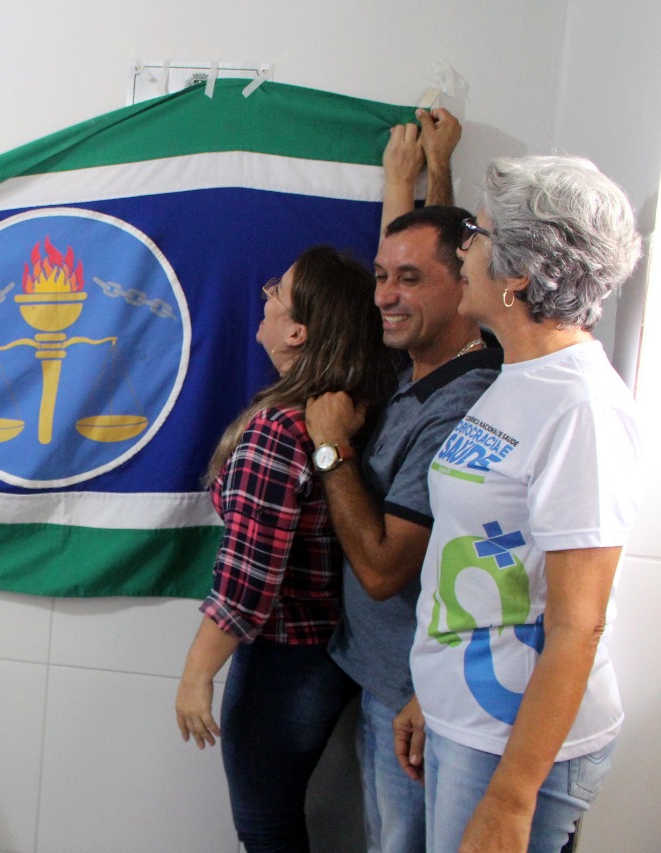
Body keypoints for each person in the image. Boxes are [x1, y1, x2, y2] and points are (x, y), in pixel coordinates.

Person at [404, 155, 642, 852]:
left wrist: (511, 797)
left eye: (475, 234)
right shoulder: (521, 374)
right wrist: (433, 690)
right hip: (468, 714)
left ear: (520, 276)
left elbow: (578, 624)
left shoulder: (581, 407)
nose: (463, 249)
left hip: (511, 742)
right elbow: (482, 553)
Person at [304, 110, 503, 853]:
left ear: (469, 287)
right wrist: (417, 175)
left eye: (407, 281)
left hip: (419, 703)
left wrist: (331, 449)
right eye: (381, 277)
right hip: (385, 679)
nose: (384, 295)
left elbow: (386, 568)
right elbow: (429, 250)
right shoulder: (417, 363)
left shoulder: (462, 404)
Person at [175, 245, 397, 852]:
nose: (266, 294)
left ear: (298, 331)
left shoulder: (279, 429)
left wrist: (197, 674)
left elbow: (247, 581)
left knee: (265, 827)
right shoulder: (353, 411)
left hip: (285, 661)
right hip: (329, 651)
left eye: (278, 289)